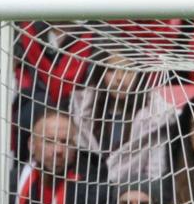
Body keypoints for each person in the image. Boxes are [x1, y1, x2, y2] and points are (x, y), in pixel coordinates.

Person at [67, 51, 178, 184]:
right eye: (112, 70)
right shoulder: (81, 110)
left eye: (128, 70)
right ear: (100, 73)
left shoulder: (156, 118)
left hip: (134, 197)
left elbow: (155, 173)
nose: (119, 78)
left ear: (139, 76)